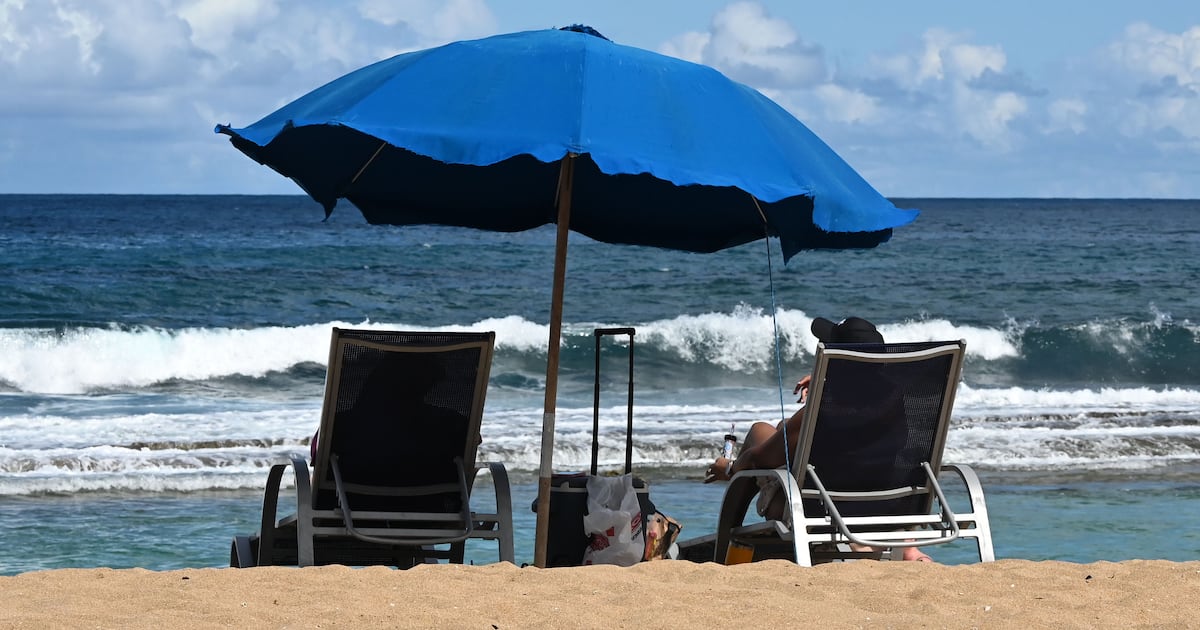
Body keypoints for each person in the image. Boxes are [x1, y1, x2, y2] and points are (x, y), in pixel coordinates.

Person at [703, 316, 933, 562]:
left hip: (816, 513)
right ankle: (907, 547)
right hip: (882, 510)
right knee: (784, 428)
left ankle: (726, 550)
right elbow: (860, 395)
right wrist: (827, 381)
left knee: (759, 432)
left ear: (835, 359)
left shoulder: (822, 410)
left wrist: (728, 468)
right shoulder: (896, 404)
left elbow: (759, 459)